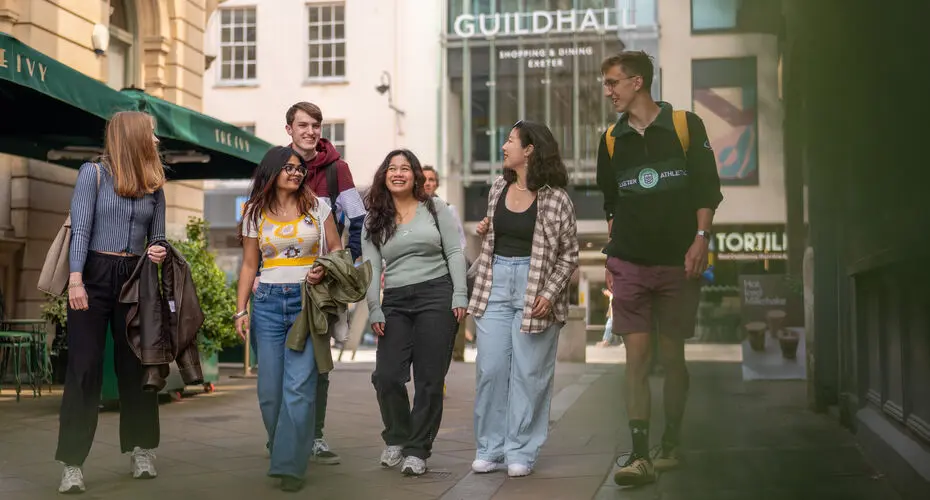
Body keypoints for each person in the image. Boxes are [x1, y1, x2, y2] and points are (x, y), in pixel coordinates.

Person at [596, 51, 723, 486]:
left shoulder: (686, 126)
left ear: (637, 82)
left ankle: (671, 442)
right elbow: (612, 201)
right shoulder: (611, 140)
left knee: (672, 357)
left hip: (677, 261)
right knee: (636, 357)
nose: (608, 91)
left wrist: (701, 238)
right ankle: (638, 453)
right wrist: (612, 255)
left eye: (613, 82)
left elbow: (707, 187)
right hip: (630, 259)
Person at [56, 111, 168, 494]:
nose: (155, 140)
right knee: (84, 368)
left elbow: (160, 236)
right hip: (93, 274)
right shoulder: (94, 174)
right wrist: (75, 279)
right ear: (132, 136)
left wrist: (158, 251)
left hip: (136, 279)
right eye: (150, 134)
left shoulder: (155, 184)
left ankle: (141, 449)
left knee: (136, 366)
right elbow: (81, 227)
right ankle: (72, 463)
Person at [468, 120, 579, 478]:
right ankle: (490, 448)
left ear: (529, 150)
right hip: (494, 284)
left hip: (535, 288)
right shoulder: (498, 186)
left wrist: (550, 292)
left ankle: (521, 450)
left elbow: (569, 254)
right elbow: (494, 230)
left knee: (530, 375)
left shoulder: (557, 197)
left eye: (510, 140)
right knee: (491, 370)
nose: (504, 146)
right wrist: (485, 228)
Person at [234, 146, 343, 492]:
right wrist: (240, 309)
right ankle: (282, 444)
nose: (296, 173)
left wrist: (321, 270)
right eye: (289, 168)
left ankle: (289, 466)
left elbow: (337, 251)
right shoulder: (254, 212)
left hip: (306, 303)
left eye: (300, 169)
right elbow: (250, 264)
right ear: (272, 171)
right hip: (266, 303)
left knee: (299, 386)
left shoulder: (318, 207)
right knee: (269, 390)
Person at [362, 149, 467, 476]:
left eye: (404, 168)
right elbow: (371, 266)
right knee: (387, 375)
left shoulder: (437, 209)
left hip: (437, 294)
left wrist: (459, 294)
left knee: (430, 379)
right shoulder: (374, 218)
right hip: (394, 299)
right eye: (391, 168)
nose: (398, 173)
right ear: (384, 175)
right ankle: (397, 435)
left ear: (415, 175)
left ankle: (418, 449)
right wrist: (374, 308)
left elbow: (454, 252)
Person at [281, 101, 366, 465]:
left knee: (318, 363)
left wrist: (343, 265)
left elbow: (359, 220)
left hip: (322, 285)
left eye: (316, 125)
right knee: (282, 362)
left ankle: (314, 436)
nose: (310, 131)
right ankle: (284, 436)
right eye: (303, 125)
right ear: (290, 129)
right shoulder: (277, 165)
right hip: (279, 280)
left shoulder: (337, 169)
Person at [422, 165, 471, 363]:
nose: (428, 183)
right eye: (424, 179)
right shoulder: (412, 208)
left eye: (432, 179)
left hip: (447, 269)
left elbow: (460, 240)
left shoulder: (448, 208)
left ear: (437, 183)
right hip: (424, 270)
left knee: (453, 309)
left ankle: (456, 353)